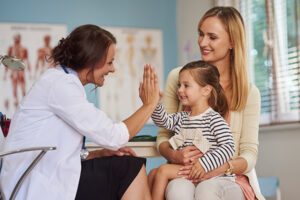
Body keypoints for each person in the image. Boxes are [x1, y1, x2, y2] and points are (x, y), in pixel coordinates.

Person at [0, 24, 160, 200]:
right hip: (33, 187)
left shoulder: (60, 81)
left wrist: (98, 153)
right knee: (129, 168)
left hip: (44, 175)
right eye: (110, 62)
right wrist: (149, 105)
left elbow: (60, 149)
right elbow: (114, 137)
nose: (112, 69)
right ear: (92, 60)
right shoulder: (61, 85)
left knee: (123, 166)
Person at [156, 7, 264, 200]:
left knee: (208, 191)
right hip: (185, 173)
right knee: (177, 191)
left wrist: (217, 168)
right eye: (200, 34)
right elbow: (164, 135)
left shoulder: (249, 92)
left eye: (212, 37)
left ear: (232, 41)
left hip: (228, 176)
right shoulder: (178, 78)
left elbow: (249, 154)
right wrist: (174, 156)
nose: (203, 42)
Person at [148, 60, 235, 200]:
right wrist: (153, 103)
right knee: (153, 173)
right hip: (188, 170)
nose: (180, 90)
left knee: (162, 171)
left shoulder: (214, 119)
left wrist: (203, 164)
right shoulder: (182, 117)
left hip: (206, 172)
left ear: (206, 90)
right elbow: (162, 121)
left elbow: (229, 147)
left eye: (186, 85)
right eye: (179, 85)